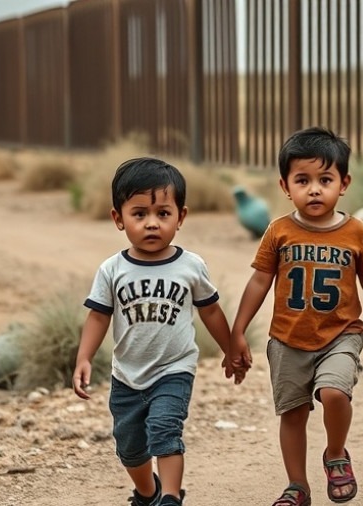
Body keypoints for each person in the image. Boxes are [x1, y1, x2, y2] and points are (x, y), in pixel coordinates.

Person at [72, 157, 251, 506]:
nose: (152, 224)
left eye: (163, 214)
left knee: (165, 429)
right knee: (129, 445)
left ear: (180, 217)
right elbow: (98, 317)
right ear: (118, 219)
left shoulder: (190, 266)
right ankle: (147, 493)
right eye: (139, 214)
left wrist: (231, 348)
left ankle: (170, 497)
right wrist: (84, 357)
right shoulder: (112, 269)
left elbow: (211, 310)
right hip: (126, 375)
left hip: (174, 369)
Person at [230, 127, 363, 505]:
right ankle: (297, 486)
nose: (314, 189)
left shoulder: (355, 231)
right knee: (293, 413)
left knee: (335, 393)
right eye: (303, 180)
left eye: (325, 179)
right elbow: (259, 282)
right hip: (287, 339)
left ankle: (336, 454)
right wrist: (237, 332)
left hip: (341, 333)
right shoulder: (279, 231)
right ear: (285, 185)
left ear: (344, 183)